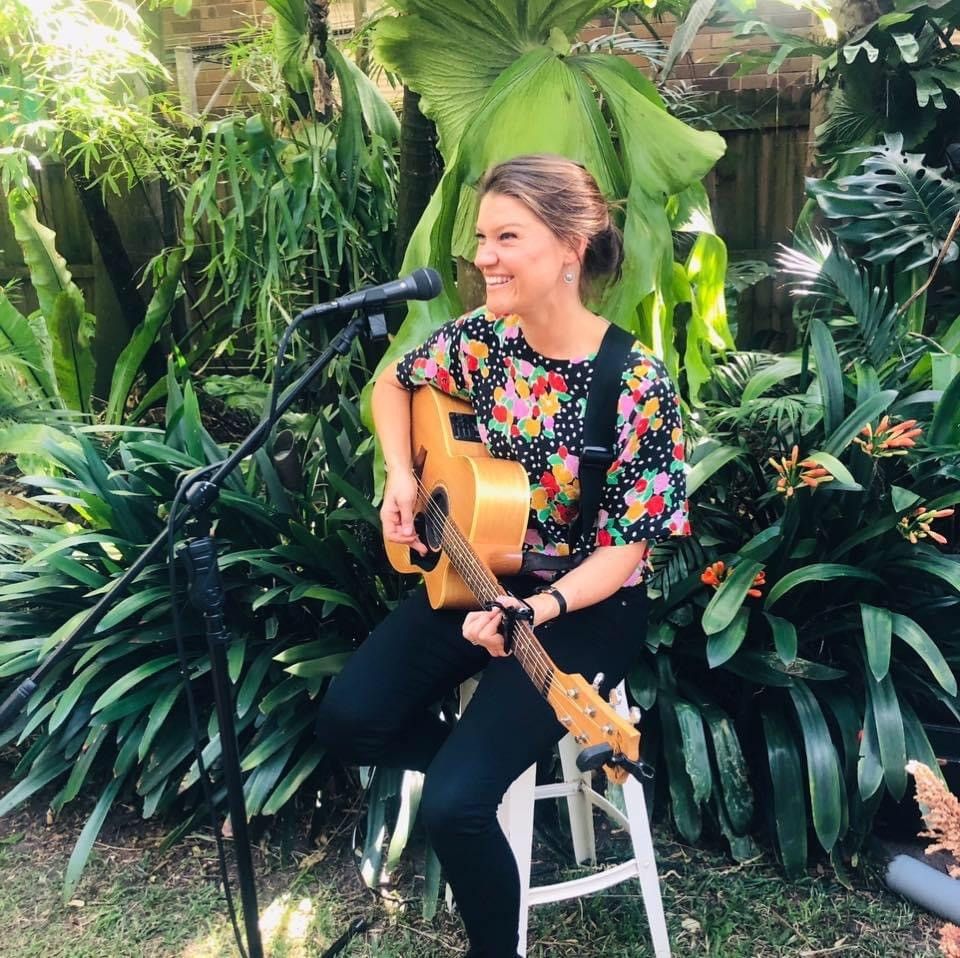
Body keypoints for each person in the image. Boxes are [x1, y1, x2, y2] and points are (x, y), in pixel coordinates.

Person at [314, 154, 690, 957]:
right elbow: (393, 384)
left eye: (506, 236)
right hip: (477, 569)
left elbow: (626, 552)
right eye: (482, 237)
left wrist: (536, 609)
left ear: (570, 247)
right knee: (348, 721)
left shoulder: (634, 382)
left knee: (454, 807)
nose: (483, 256)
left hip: (586, 605)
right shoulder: (482, 343)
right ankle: (477, 765)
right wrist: (405, 473)